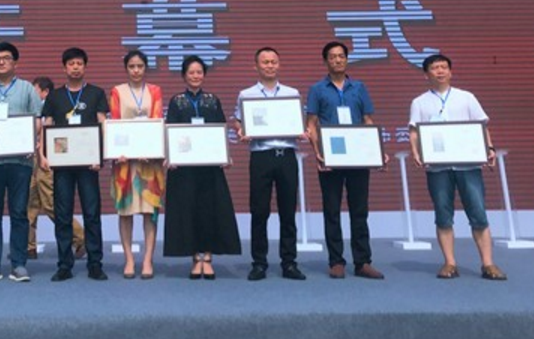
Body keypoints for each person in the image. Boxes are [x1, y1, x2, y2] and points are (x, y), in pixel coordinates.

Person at [408, 54, 507, 281]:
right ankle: (450, 263)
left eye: (444, 67)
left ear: (451, 72)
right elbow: (414, 131)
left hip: (468, 165)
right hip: (437, 168)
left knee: (478, 214)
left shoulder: (466, 97)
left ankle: (488, 264)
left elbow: (481, 126)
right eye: (435, 68)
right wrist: (416, 152)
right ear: (426, 74)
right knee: (443, 215)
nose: (440, 71)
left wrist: (489, 148)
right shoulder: (419, 102)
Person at [306, 41, 385, 280]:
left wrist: (377, 150)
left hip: (358, 156)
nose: (337, 60)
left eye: (341, 56)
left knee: (359, 210)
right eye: (332, 57)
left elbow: (368, 121)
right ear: (325, 61)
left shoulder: (359, 87)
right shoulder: (317, 89)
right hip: (331, 157)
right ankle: (336, 261)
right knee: (332, 210)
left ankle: (363, 262)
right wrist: (318, 152)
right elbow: (311, 125)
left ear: (347, 59)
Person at [232, 47, 306, 281]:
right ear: (256, 66)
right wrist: (241, 130)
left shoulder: (292, 93)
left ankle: (289, 263)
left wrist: (301, 130)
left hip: (287, 155)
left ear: (279, 64)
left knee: (288, 211)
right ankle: (259, 263)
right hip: (261, 155)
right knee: (259, 211)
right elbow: (237, 121)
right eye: (265, 62)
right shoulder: (246, 94)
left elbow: (299, 121)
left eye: (273, 61)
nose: (270, 65)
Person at [164, 55, 240, 279]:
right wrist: (171, 156)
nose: (195, 76)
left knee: (209, 210)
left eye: (199, 72)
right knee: (189, 210)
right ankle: (195, 258)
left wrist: (225, 155)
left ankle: (207, 257)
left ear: (204, 75)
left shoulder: (212, 100)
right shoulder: (176, 101)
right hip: (184, 169)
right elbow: (171, 131)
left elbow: (221, 129)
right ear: (183, 75)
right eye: (191, 72)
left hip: (209, 167)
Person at [0, 42, 42, 284]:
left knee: (19, 213)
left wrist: (29, 140)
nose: (1, 62)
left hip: (20, 161)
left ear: (15, 63)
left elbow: (37, 121)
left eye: (6, 58)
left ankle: (19, 263)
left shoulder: (27, 89)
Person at [40, 47, 109, 282]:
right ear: (64, 68)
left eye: (79, 63)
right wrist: (43, 154)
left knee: (92, 213)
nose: (75, 67)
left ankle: (95, 263)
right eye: (71, 64)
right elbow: (47, 126)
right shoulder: (55, 96)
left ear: (85, 67)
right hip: (62, 164)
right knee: (63, 214)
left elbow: (102, 124)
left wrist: (101, 155)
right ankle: (64, 265)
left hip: (89, 163)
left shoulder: (96, 93)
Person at [109, 50, 164, 279]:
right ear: (126, 68)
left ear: (145, 68)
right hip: (125, 164)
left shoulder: (155, 91)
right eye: (132, 66)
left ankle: (148, 259)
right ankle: (129, 259)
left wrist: (150, 149)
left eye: (140, 66)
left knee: (150, 213)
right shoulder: (117, 91)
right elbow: (115, 122)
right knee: (126, 212)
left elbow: (156, 120)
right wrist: (117, 151)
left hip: (149, 163)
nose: (136, 70)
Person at [27, 76, 86, 260]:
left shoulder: (53, 107)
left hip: (47, 159)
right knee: (29, 203)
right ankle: (28, 246)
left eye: (35, 91)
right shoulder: (35, 109)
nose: (31, 94)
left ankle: (81, 237)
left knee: (51, 203)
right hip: (31, 160)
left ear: (45, 92)